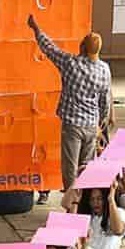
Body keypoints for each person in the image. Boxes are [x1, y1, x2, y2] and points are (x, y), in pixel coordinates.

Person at [28, 14, 111, 200]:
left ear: (82, 47)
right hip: (91, 124)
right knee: (86, 166)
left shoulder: (71, 64)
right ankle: (85, 203)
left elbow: (49, 49)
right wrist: (101, 123)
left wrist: (35, 27)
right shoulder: (105, 69)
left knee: (70, 167)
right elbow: (105, 100)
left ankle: (72, 203)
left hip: (73, 125)